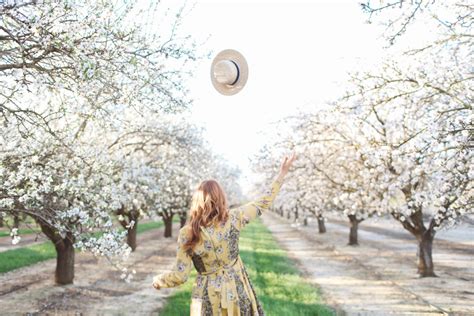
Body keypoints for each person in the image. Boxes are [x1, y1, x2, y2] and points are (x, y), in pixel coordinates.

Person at [153, 153, 297, 315]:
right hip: (236, 290)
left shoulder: (187, 233)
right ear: (221, 198)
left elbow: (180, 276)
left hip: (206, 298)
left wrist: (159, 281)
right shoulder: (234, 218)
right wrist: (282, 174)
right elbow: (263, 202)